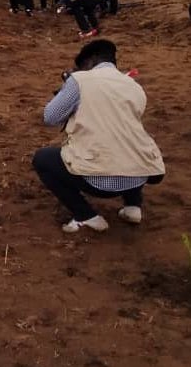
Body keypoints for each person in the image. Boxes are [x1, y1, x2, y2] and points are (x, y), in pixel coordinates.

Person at [32, 39, 165, 234]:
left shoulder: (79, 80)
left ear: (91, 60)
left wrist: (66, 88)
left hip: (98, 181)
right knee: (127, 140)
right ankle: (133, 206)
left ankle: (86, 216)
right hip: (142, 173)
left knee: (42, 159)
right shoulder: (133, 85)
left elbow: (50, 117)